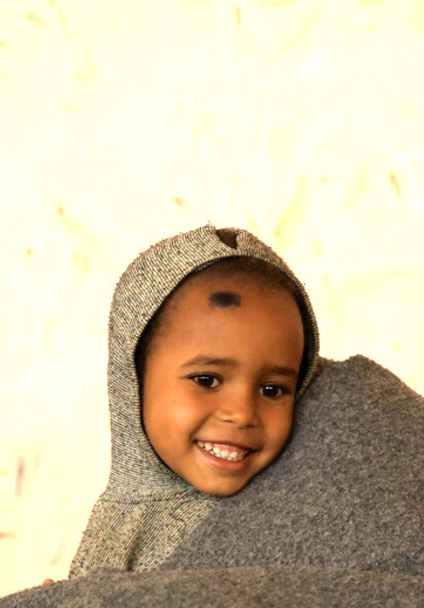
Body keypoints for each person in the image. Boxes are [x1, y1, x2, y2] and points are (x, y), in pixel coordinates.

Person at [66, 224, 322, 577]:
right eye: (206, 380)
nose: (242, 414)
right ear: (133, 377)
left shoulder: (309, 516)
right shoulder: (120, 527)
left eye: (272, 390)